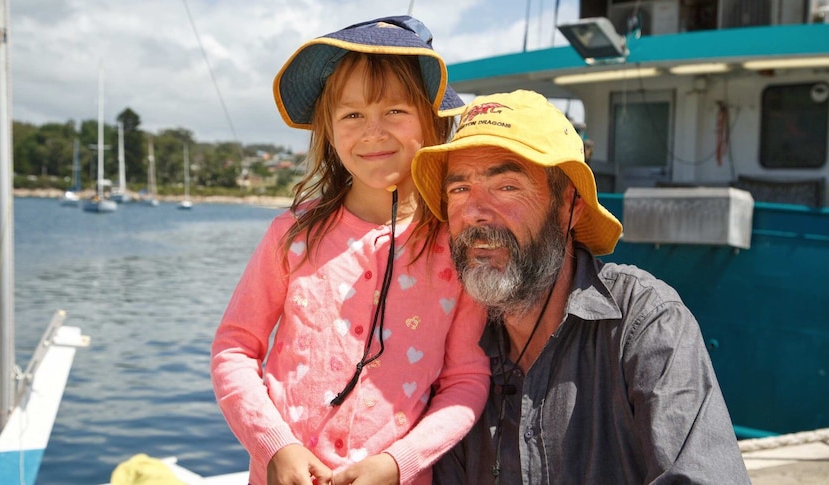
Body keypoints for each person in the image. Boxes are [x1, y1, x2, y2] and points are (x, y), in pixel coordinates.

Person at [410, 89, 752, 484]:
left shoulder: (643, 323)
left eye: (506, 187)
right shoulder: (452, 351)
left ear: (569, 206)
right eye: (459, 189)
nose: (473, 213)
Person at [210, 16, 490, 485]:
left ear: (431, 121)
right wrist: (276, 447)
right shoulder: (292, 234)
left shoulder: (456, 247)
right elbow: (234, 349)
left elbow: (466, 380)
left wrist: (400, 463)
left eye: (395, 111)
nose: (373, 132)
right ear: (329, 130)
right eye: (352, 115)